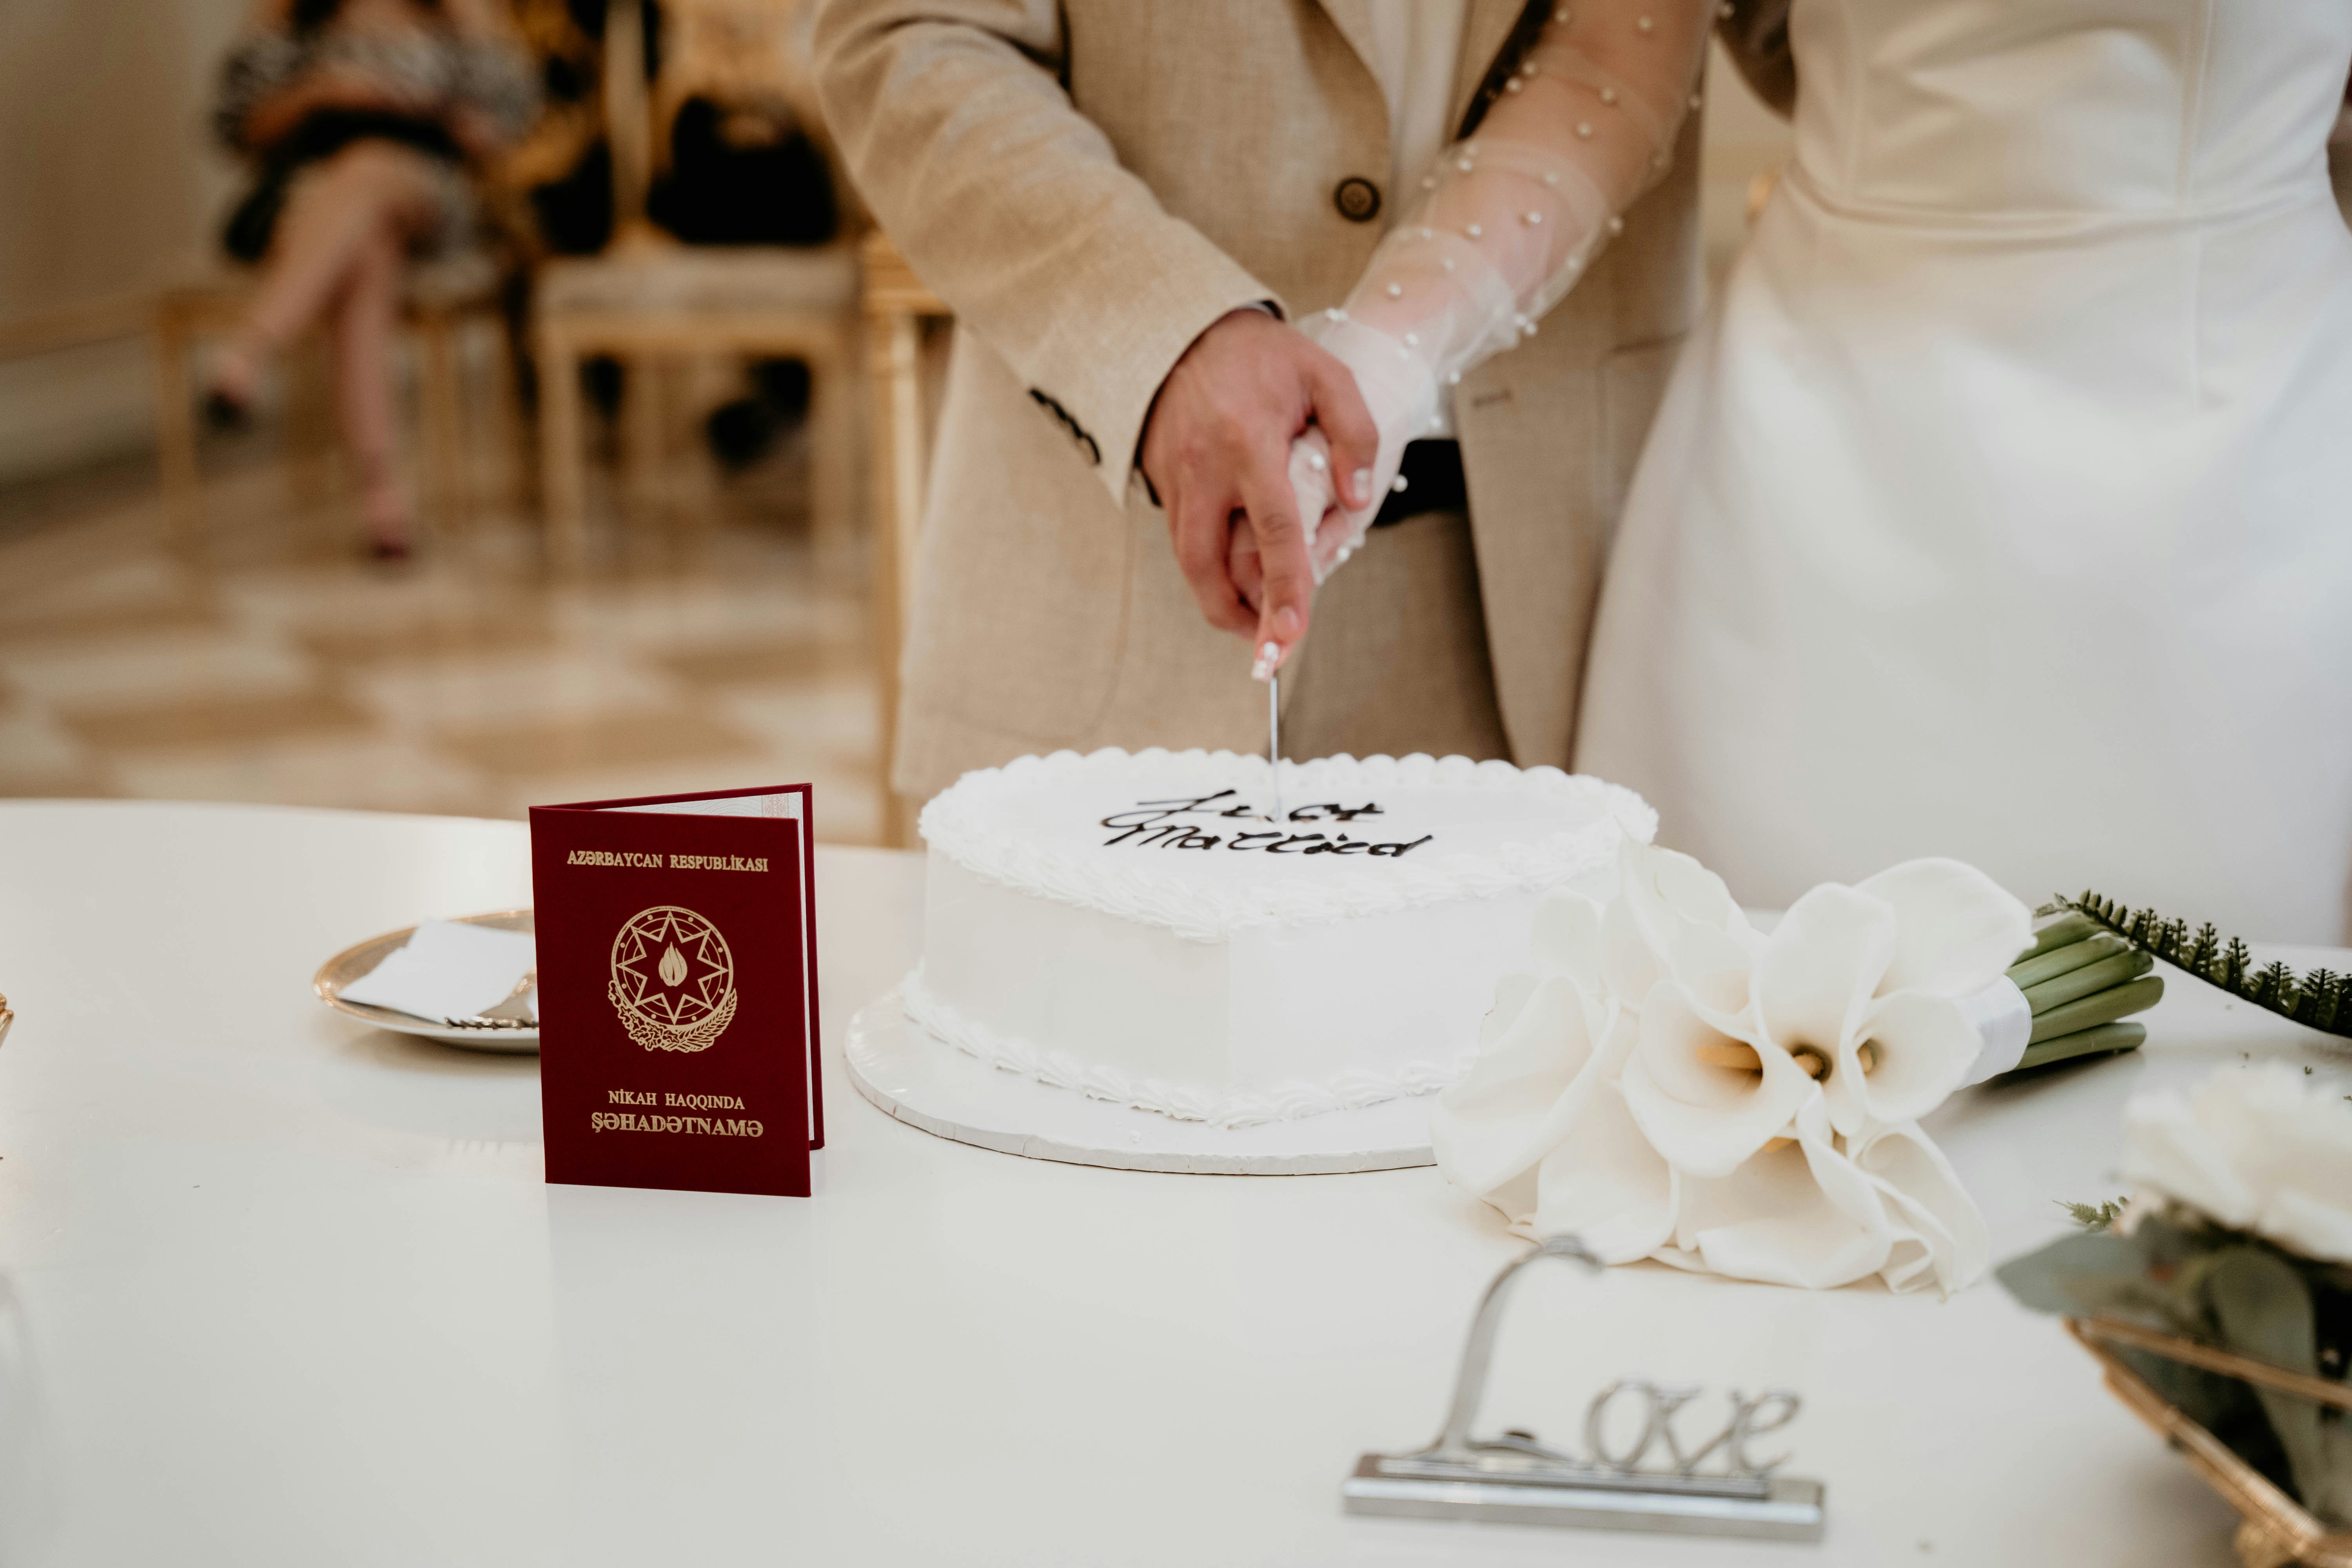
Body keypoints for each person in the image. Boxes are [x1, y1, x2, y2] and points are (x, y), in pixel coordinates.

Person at [813, 2, 1776, 806]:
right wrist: (1171, 333)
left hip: (1575, 608)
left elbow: (1797, 56)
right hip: (1122, 605)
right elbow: (909, 34)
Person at [1559, 0, 2352, 942]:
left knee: (2248, 995)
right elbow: (1608, 67)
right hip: (1822, 465)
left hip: (2256, 455)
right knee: (1775, 991)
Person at [208, 0, 537, 558]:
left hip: (424, 184)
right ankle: (383, 500)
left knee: (372, 169)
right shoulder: (288, 14)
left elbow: (507, 125)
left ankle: (251, 348)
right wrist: (322, 94)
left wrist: (423, 105)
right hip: (314, 188)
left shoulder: (461, 13)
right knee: (366, 251)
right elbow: (237, 126)